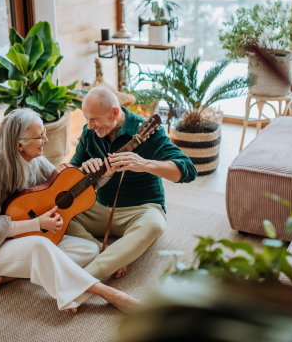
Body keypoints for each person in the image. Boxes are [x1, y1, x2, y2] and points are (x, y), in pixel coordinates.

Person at [0, 108, 142, 314]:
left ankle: (15, 274)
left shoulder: (36, 161)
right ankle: (111, 295)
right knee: (41, 244)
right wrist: (38, 223)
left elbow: (66, 188)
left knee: (89, 250)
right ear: (19, 144)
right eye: (40, 136)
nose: (46, 140)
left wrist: (101, 173)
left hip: (26, 239)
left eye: (44, 133)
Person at [67, 87, 197, 279]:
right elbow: (71, 173)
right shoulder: (89, 133)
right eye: (87, 118)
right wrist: (84, 168)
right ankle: (103, 250)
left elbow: (188, 170)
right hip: (100, 208)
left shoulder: (146, 130)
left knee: (155, 225)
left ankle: (81, 281)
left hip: (141, 210)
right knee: (57, 215)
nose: (89, 125)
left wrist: (144, 164)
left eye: (94, 119)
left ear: (115, 112)